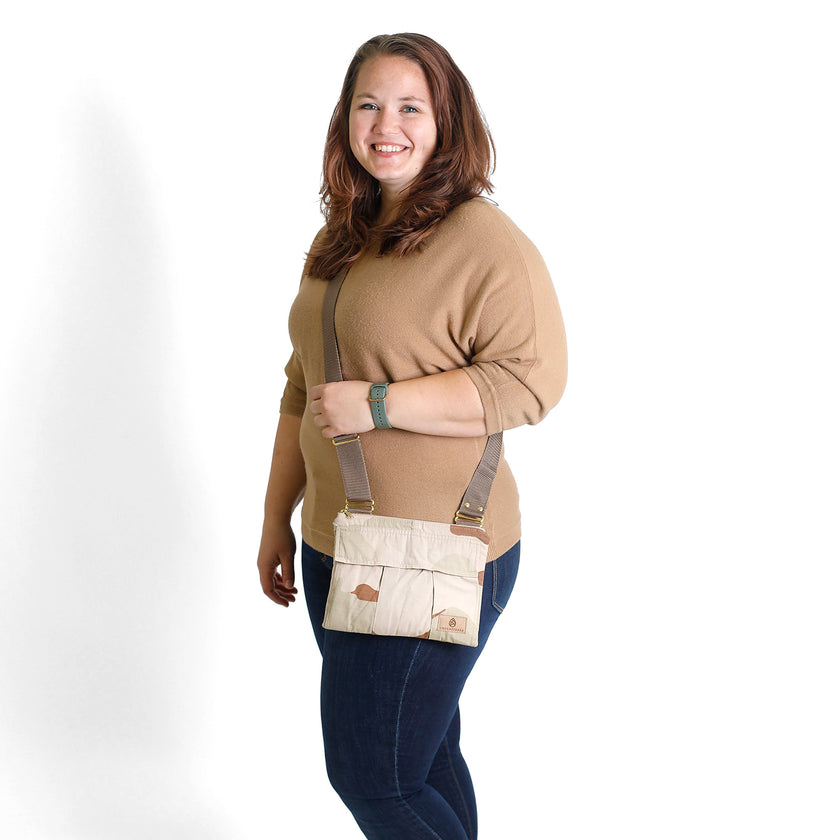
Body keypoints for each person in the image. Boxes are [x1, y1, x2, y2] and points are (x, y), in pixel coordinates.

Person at [257, 33, 567, 840]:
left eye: (408, 107)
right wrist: (273, 522)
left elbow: (531, 385)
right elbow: (302, 386)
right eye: (367, 104)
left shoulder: (483, 242)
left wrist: (383, 404)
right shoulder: (343, 233)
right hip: (338, 542)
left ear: (445, 121)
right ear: (345, 121)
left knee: (376, 777)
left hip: (435, 548)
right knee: (419, 762)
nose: (384, 124)